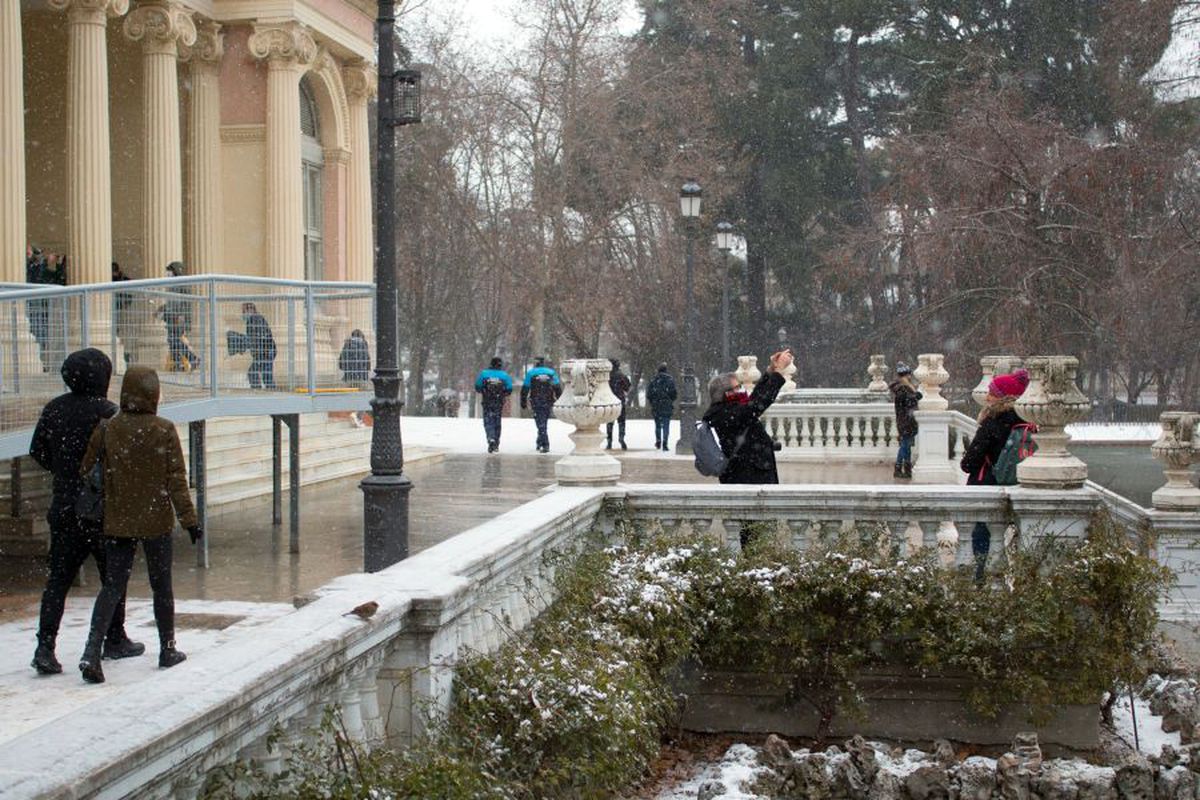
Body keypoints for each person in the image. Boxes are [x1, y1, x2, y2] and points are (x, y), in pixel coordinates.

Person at [78, 366, 202, 684]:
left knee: (113, 587)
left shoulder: (109, 428)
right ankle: (167, 647)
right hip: (156, 519)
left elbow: (86, 469)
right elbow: (176, 480)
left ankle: (92, 651)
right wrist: (189, 520)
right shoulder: (163, 429)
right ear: (154, 394)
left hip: (118, 519)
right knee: (162, 586)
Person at [29, 349, 143, 675]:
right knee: (113, 577)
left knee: (58, 581)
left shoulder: (54, 409)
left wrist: (65, 473)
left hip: (64, 507)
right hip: (101, 511)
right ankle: (114, 637)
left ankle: (45, 646)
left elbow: (37, 450)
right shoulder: (109, 413)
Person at [703, 350, 792, 547]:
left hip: (750, 475)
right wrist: (777, 373)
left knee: (757, 531)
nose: (741, 390)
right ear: (726, 394)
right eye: (736, 388)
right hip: (747, 477)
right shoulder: (725, 413)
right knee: (753, 533)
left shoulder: (729, 409)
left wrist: (771, 370)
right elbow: (759, 403)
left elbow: (754, 399)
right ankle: (752, 568)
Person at [959, 369, 1030, 584]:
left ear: (1002, 396)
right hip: (1018, 485)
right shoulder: (1028, 422)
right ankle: (1016, 580)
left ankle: (982, 579)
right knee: (1021, 535)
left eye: (992, 392)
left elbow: (968, 464)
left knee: (982, 534)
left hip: (986, 486)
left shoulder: (992, 421)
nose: (987, 397)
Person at [159, 262, 199, 372]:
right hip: (172, 317)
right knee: (172, 340)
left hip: (178, 318)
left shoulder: (181, 284)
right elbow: (171, 302)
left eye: (170, 271)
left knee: (175, 340)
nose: (168, 274)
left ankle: (191, 358)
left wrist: (181, 316)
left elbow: (184, 304)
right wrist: (163, 309)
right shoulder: (173, 285)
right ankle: (177, 363)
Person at [520, 357, 562, 453]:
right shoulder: (551, 372)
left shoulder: (531, 373)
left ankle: (545, 444)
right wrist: (559, 399)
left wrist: (523, 402)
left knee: (540, 422)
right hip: (548, 400)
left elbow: (525, 388)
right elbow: (557, 387)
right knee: (543, 421)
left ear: (536, 363)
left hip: (536, 400)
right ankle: (540, 441)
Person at [889, 363, 922, 479]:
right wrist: (915, 394)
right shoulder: (902, 389)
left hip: (905, 420)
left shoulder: (901, 388)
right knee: (905, 445)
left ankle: (906, 469)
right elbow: (911, 401)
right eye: (908, 375)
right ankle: (899, 468)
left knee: (906, 445)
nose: (909, 377)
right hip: (905, 421)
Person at [475, 357, 514, 453]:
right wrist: (502, 393)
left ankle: (490, 437)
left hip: (487, 401)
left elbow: (477, 387)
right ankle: (496, 442)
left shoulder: (484, 374)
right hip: (498, 401)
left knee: (488, 421)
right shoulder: (504, 375)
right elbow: (509, 389)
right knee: (497, 421)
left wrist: (485, 391)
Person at [338, 330, 372, 427]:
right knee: (364, 398)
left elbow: (341, 363)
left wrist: (348, 368)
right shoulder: (364, 346)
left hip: (348, 377)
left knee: (348, 397)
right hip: (362, 378)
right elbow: (368, 364)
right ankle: (358, 417)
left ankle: (350, 413)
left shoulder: (347, 345)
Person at [240, 303, 276, 389]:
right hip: (265, 350)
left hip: (265, 351)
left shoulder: (255, 319)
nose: (243, 313)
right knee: (262, 373)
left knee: (261, 373)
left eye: (244, 311)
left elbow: (258, 336)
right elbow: (253, 337)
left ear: (250, 310)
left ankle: (263, 390)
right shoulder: (255, 319)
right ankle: (263, 390)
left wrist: (248, 347)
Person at [646, 364, 677, 451]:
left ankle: (658, 441)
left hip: (656, 405)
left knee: (658, 425)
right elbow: (674, 394)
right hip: (666, 405)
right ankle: (665, 442)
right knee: (666, 425)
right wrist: (669, 400)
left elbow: (649, 394)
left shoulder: (654, 380)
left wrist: (653, 402)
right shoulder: (670, 380)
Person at [606, 358, 631, 451]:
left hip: (610, 401)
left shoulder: (607, 376)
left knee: (609, 422)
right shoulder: (621, 375)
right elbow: (627, 387)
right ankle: (621, 438)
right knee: (621, 421)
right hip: (620, 400)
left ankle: (609, 441)